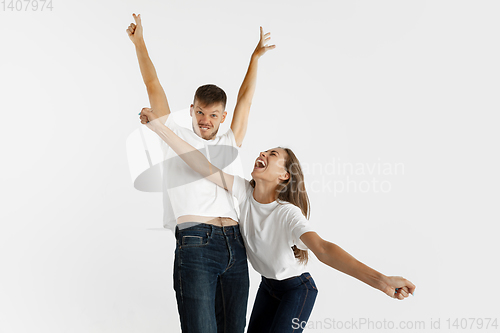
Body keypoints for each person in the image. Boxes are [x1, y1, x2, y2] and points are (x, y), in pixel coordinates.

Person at [138, 110, 417, 333]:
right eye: (265, 151)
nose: (263, 154)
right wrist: (160, 129)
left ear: (284, 176)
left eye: (272, 156)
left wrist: (380, 280)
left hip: (297, 291)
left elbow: (323, 250)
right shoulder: (243, 192)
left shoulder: (287, 214)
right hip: (269, 288)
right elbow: (200, 163)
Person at [126, 13, 276, 333]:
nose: (205, 120)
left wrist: (255, 58)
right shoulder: (173, 135)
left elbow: (245, 99)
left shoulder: (230, 139)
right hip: (196, 242)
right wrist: (139, 42)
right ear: (191, 109)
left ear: (222, 117)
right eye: (199, 112)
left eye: (212, 114)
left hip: (235, 245)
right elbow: (153, 83)